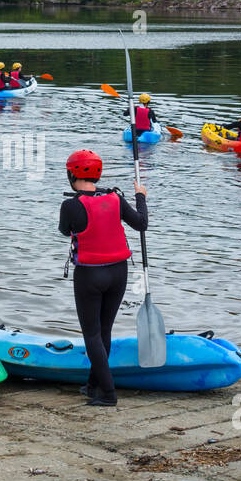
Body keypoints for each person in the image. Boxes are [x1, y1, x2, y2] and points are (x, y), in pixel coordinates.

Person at [57, 149, 148, 408]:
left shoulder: (71, 205)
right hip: (119, 272)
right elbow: (141, 223)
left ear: (71, 174)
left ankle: (108, 393)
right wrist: (140, 197)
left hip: (89, 275)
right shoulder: (116, 198)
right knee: (103, 329)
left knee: (92, 334)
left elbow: (65, 231)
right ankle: (93, 384)